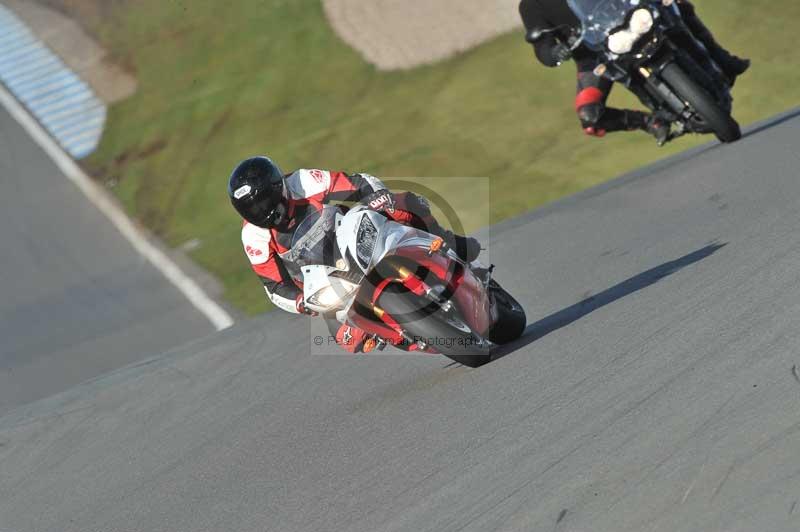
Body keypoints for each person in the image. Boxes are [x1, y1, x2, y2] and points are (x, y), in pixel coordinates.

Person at [228, 156, 481, 353]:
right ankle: (406, 336)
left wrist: (377, 196)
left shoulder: (303, 182)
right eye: (253, 209)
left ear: (278, 187)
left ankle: (448, 242)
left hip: (350, 237)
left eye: (264, 202)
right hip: (326, 281)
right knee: (348, 339)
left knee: (403, 204)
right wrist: (299, 301)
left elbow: (356, 183)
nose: (264, 212)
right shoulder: (253, 236)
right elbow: (274, 286)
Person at [518, 0, 750, 144]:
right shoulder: (530, 6)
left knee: (676, 6)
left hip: (630, 19)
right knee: (588, 115)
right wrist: (553, 52)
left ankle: (724, 61)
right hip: (594, 55)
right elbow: (541, 46)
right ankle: (650, 122)